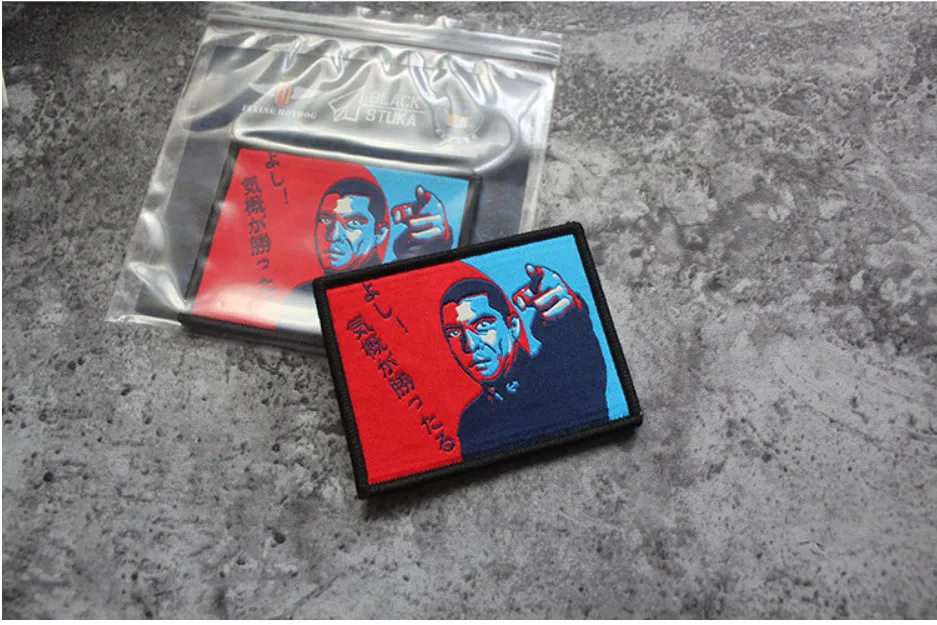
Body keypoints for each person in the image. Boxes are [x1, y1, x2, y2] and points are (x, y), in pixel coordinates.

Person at [439, 265, 608, 459]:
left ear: (513, 327)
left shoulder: (562, 374)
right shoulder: (472, 423)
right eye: (454, 333)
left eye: (483, 325)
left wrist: (569, 314)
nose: (469, 345)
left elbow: (576, 351)